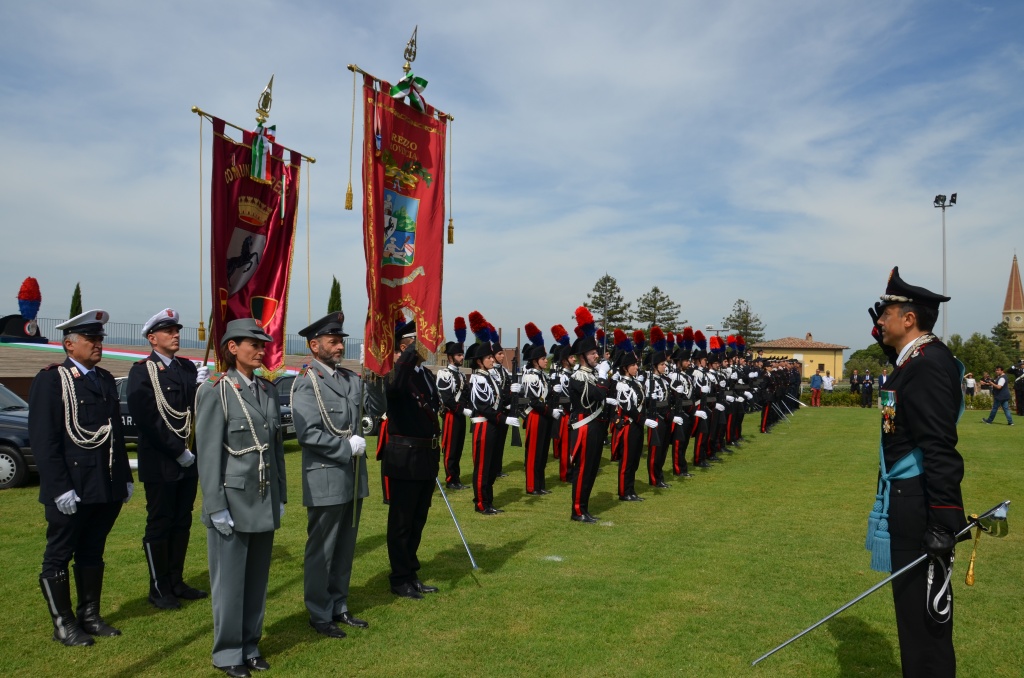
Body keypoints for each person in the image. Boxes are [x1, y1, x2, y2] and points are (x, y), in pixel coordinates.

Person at [868, 266, 968, 677]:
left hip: (920, 503)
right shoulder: (915, 359)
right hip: (909, 497)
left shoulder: (925, 365)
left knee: (923, 621)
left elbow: (939, 446)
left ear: (909, 319)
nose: (879, 321)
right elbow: (897, 385)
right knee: (911, 615)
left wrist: (945, 520)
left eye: (887, 314)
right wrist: (884, 335)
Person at [30, 310, 133, 647]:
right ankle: (64, 624)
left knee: (92, 551)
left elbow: (114, 434)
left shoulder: (103, 379)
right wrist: (59, 488)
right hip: (72, 487)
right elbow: (45, 440)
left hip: (103, 485)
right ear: (70, 344)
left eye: (100, 338)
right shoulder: (51, 379)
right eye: (91, 339)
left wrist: (123, 479)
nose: (98, 344)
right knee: (58, 554)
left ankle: (89, 616)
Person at [196, 319, 286, 677]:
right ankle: (228, 652)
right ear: (232, 347)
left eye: (263, 344)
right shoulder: (216, 389)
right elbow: (208, 454)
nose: (261, 349)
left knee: (256, 580)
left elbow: (276, 449)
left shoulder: (267, 390)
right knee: (230, 583)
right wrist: (215, 506)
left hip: (263, 497)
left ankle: (250, 644)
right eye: (253, 343)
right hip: (232, 502)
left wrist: (281, 493)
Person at [291, 312, 370, 639]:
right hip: (326, 476)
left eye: (341, 341)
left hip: (352, 479)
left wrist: (378, 376)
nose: (340, 346)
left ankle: (339, 604)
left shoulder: (350, 379)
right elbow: (307, 433)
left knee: (344, 548)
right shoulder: (306, 381)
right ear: (314, 345)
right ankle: (320, 613)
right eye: (333, 341)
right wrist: (344, 448)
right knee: (322, 550)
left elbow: (372, 410)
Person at [127, 309, 208, 611]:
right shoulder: (142, 371)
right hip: (162, 462)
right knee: (160, 523)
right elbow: (148, 418)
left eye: (177, 330)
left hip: (189, 461)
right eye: (168, 331)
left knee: (182, 521)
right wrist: (178, 451)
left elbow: (193, 411)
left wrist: (201, 387)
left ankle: (176, 580)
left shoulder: (187, 368)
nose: (176, 335)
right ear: (152, 338)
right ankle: (159, 587)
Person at [381, 320, 442, 599]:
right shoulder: (395, 372)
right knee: (402, 522)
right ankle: (399, 577)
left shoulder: (425, 375)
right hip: (404, 458)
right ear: (406, 347)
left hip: (425, 456)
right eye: (420, 342)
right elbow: (394, 390)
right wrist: (407, 354)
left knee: (418, 519)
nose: (428, 345)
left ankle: (411, 572)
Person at [567, 308, 609, 523]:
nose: (596, 356)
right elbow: (596, 395)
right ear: (583, 356)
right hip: (584, 427)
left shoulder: (592, 375)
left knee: (591, 470)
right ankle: (577, 510)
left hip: (595, 427)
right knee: (583, 470)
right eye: (592, 353)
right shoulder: (577, 376)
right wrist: (602, 377)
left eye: (596, 353)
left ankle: (584, 507)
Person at [520, 323, 555, 496]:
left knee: (542, 451)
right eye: (543, 358)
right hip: (535, 416)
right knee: (534, 452)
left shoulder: (544, 376)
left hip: (545, 416)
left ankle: (540, 484)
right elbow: (533, 401)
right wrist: (550, 411)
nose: (546, 360)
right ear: (535, 361)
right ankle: (532, 486)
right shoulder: (530, 376)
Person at [437, 319, 469, 490]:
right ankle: (450, 479)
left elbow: (465, 395)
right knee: (450, 448)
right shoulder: (444, 373)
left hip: (460, 415)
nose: (462, 357)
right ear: (450, 357)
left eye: (462, 355)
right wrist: (462, 410)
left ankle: (456, 477)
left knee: (458, 447)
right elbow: (447, 398)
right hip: (451, 415)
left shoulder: (462, 375)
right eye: (458, 355)